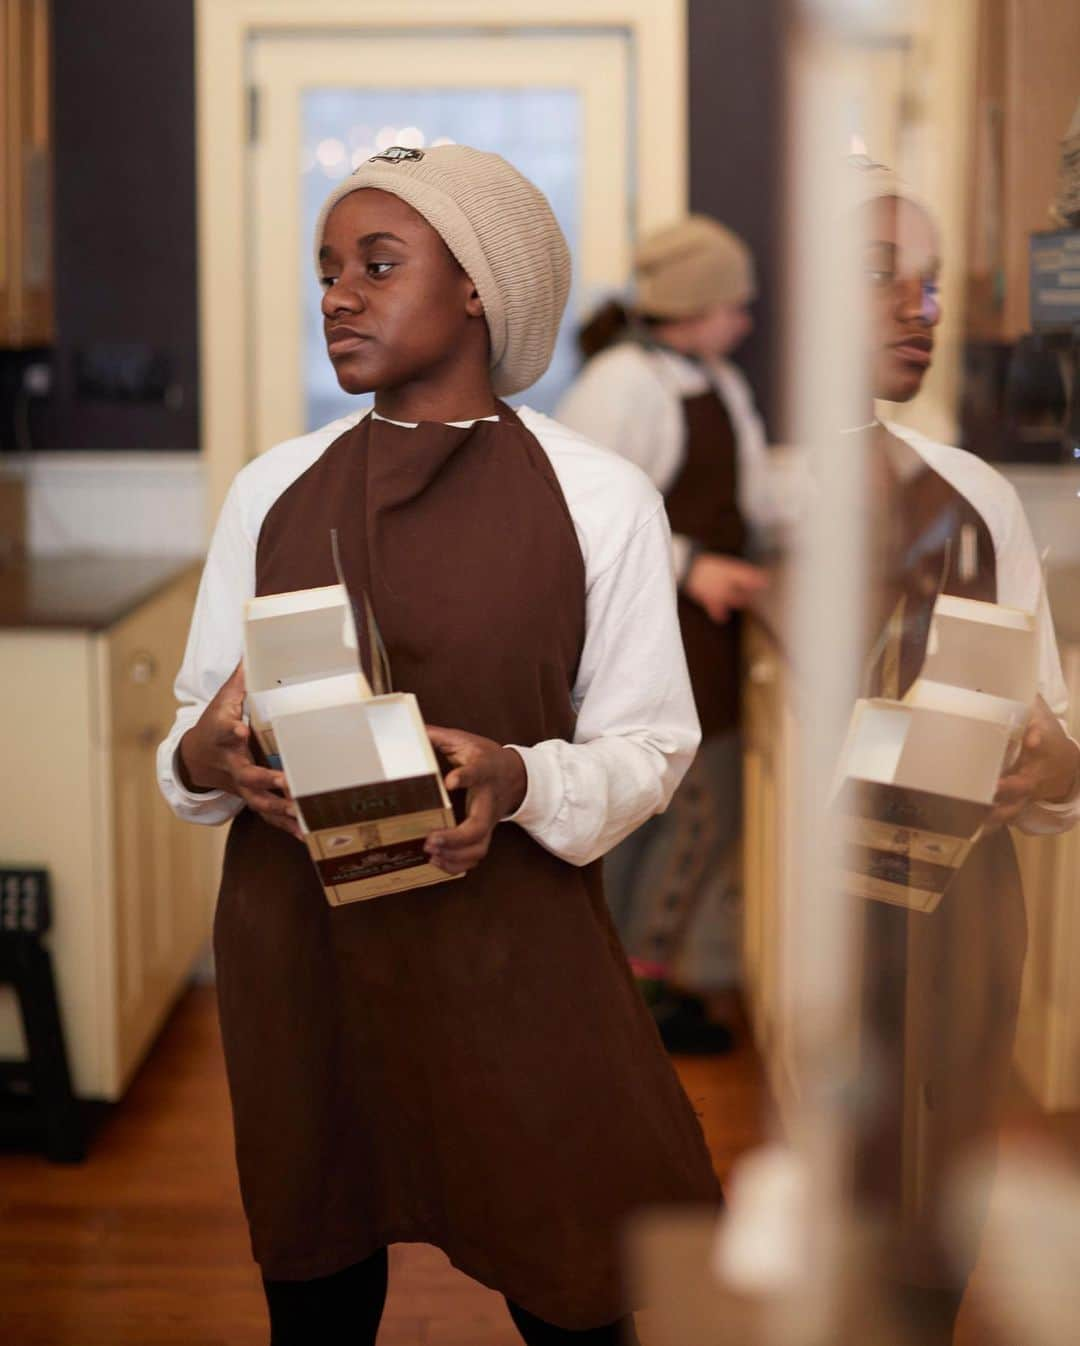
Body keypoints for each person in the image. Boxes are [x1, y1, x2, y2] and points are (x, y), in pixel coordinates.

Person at [156, 144, 722, 1346]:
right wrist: (212, 758)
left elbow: (651, 747)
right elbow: (197, 724)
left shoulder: (599, 497)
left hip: (513, 950)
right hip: (303, 956)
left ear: (479, 286)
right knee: (318, 1275)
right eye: (326, 270)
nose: (337, 296)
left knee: (571, 1283)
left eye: (377, 263)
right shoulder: (271, 490)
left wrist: (520, 777)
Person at [845, 155, 1080, 1343]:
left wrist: (1054, 764)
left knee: (939, 1229)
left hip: (964, 921)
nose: (918, 310)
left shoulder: (976, 491)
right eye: (882, 273)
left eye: (928, 285)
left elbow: (1051, 722)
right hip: (834, 926)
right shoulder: (736, 496)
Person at [556, 215, 796, 1053]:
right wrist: (692, 563)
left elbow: (759, 494)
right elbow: (577, 512)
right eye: (738, 303)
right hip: (657, 626)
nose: (748, 319)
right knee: (685, 810)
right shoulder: (622, 384)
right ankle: (630, 989)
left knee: (692, 811)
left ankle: (633, 980)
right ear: (696, 306)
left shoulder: (712, 378)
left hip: (707, 630)